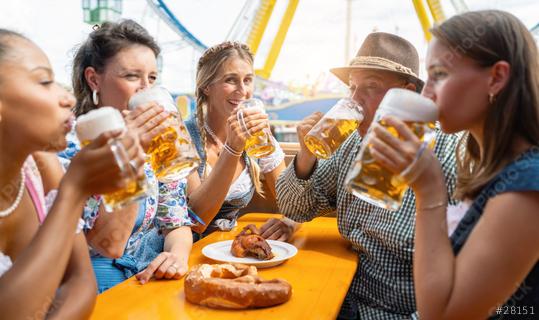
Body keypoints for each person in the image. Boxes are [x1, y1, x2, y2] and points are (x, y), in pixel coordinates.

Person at [276, 32, 460, 319]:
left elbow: (472, 278)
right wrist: (305, 154)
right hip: (337, 296)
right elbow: (296, 209)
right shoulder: (351, 142)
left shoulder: (447, 152)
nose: (355, 99)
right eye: (352, 87)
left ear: (407, 92)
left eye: (370, 87)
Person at [368, 10, 539, 319]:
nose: (426, 92)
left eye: (440, 74)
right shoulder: (492, 166)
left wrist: (429, 188)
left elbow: (443, 316)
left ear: (497, 77)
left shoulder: (528, 185)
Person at [0, 29, 145, 319]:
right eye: (44, 81)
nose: (67, 98)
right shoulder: (68, 168)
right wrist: (74, 190)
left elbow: (80, 283)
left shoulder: (42, 164)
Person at [59, 20, 194, 293]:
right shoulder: (69, 146)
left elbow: (176, 221)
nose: (146, 89)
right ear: (94, 79)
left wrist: (177, 256)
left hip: (146, 276)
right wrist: (132, 153)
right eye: (132, 76)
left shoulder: (157, 141)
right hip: (89, 287)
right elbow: (109, 243)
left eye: (153, 78)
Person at [184, 41, 297, 241]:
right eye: (231, 80)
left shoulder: (257, 136)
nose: (242, 90)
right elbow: (196, 221)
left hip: (229, 249)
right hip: (186, 251)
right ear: (206, 87)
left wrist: (290, 222)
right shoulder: (185, 137)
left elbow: (293, 203)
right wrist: (232, 148)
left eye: (248, 80)